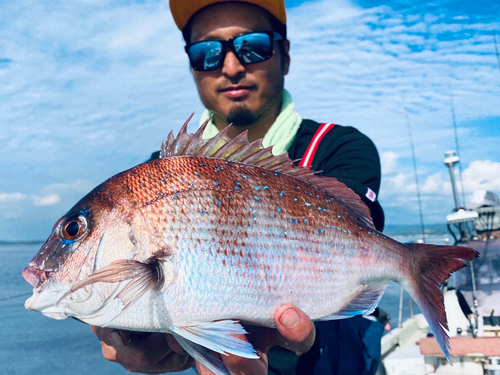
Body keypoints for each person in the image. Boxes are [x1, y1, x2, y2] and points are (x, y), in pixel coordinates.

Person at [92, 1, 385, 374]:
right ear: (192, 66)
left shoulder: (339, 147)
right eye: (207, 53)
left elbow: (361, 235)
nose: (231, 66)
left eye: (253, 46)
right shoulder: (159, 174)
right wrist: (133, 328)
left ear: (285, 54)